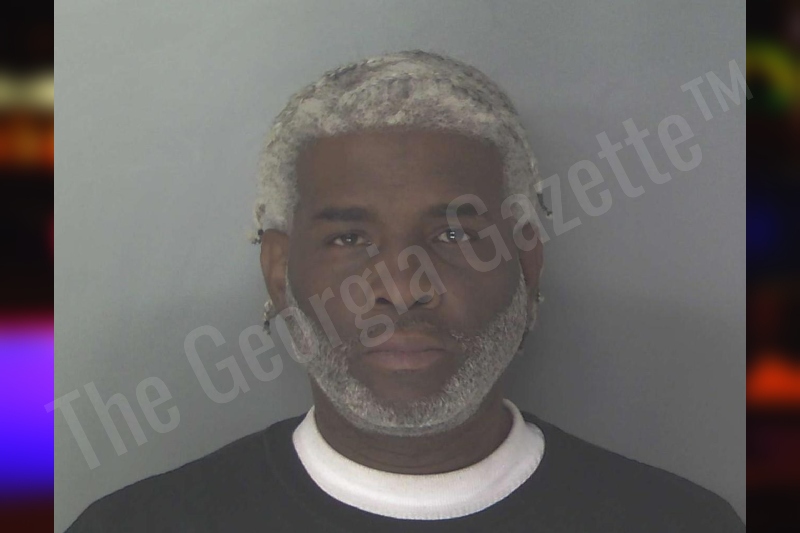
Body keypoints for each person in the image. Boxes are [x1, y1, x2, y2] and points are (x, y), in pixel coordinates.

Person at [66, 50, 743, 532]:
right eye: (348, 238)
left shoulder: (681, 522)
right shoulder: (136, 525)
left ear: (527, 263)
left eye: (454, 235)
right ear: (278, 271)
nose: (399, 286)